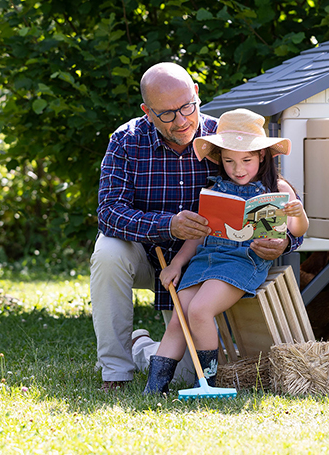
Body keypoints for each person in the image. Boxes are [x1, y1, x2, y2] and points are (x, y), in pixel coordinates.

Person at [91, 63, 303, 392]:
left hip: (204, 264)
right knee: (107, 251)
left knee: (186, 376)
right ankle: (115, 371)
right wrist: (168, 225)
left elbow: (282, 198)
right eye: (167, 114)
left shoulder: (227, 138)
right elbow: (108, 213)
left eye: (187, 107)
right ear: (147, 111)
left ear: (197, 95)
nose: (182, 120)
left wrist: (284, 241)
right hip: (149, 256)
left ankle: (141, 350)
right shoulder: (126, 141)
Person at [143, 108, 309, 395]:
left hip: (242, 262)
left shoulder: (276, 188)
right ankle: (155, 388)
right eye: (230, 161)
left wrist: (299, 212)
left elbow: (297, 229)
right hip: (205, 260)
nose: (238, 168)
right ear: (220, 159)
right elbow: (197, 236)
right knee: (179, 314)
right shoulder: (215, 190)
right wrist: (177, 264)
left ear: (262, 156)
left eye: (246, 160)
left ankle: (206, 383)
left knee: (199, 310)